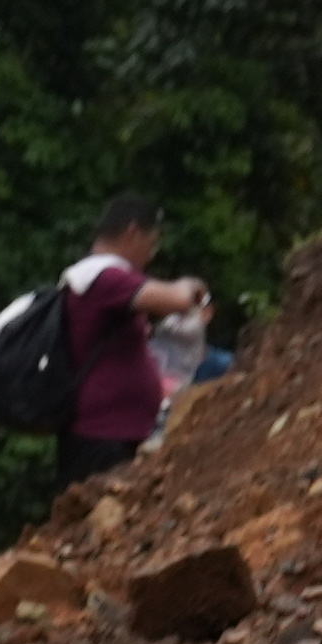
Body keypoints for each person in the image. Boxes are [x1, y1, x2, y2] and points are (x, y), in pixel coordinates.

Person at [56, 198, 209, 484]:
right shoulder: (103, 276)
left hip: (115, 432)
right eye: (151, 243)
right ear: (133, 233)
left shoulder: (98, 276)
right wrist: (192, 285)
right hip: (102, 437)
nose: (152, 254)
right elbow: (177, 300)